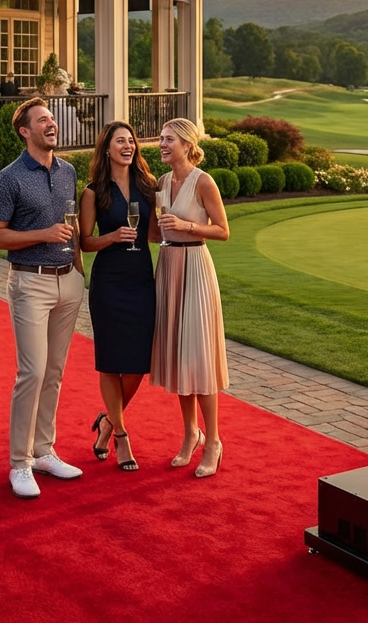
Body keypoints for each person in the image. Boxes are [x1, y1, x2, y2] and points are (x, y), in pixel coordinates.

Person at [0, 96, 85, 499]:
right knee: (33, 372)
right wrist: (43, 234)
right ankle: (19, 463)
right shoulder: (8, 178)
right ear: (25, 131)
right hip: (29, 284)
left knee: (55, 372)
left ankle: (44, 450)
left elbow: (72, 227)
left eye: (52, 119)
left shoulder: (67, 172)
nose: (51, 124)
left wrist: (78, 271)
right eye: (42, 120)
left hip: (67, 282)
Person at [151, 117, 230, 478]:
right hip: (167, 267)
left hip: (195, 266)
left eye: (169, 139)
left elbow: (223, 231)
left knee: (199, 358)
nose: (162, 144)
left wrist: (187, 227)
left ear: (186, 144)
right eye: (162, 139)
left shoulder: (204, 181)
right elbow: (156, 232)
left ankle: (212, 440)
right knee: (178, 357)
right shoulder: (163, 182)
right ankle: (190, 435)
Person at [79, 121, 157, 471]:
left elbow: (154, 235)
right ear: (106, 149)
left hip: (141, 277)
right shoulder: (94, 192)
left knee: (140, 361)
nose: (127, 146)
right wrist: (111, 237)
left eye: (130, 141)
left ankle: (108, 421)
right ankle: (122, 436)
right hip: (109, 281)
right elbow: (84, 242)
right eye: (119, 141)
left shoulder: (149, 186)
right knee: (111, 360)